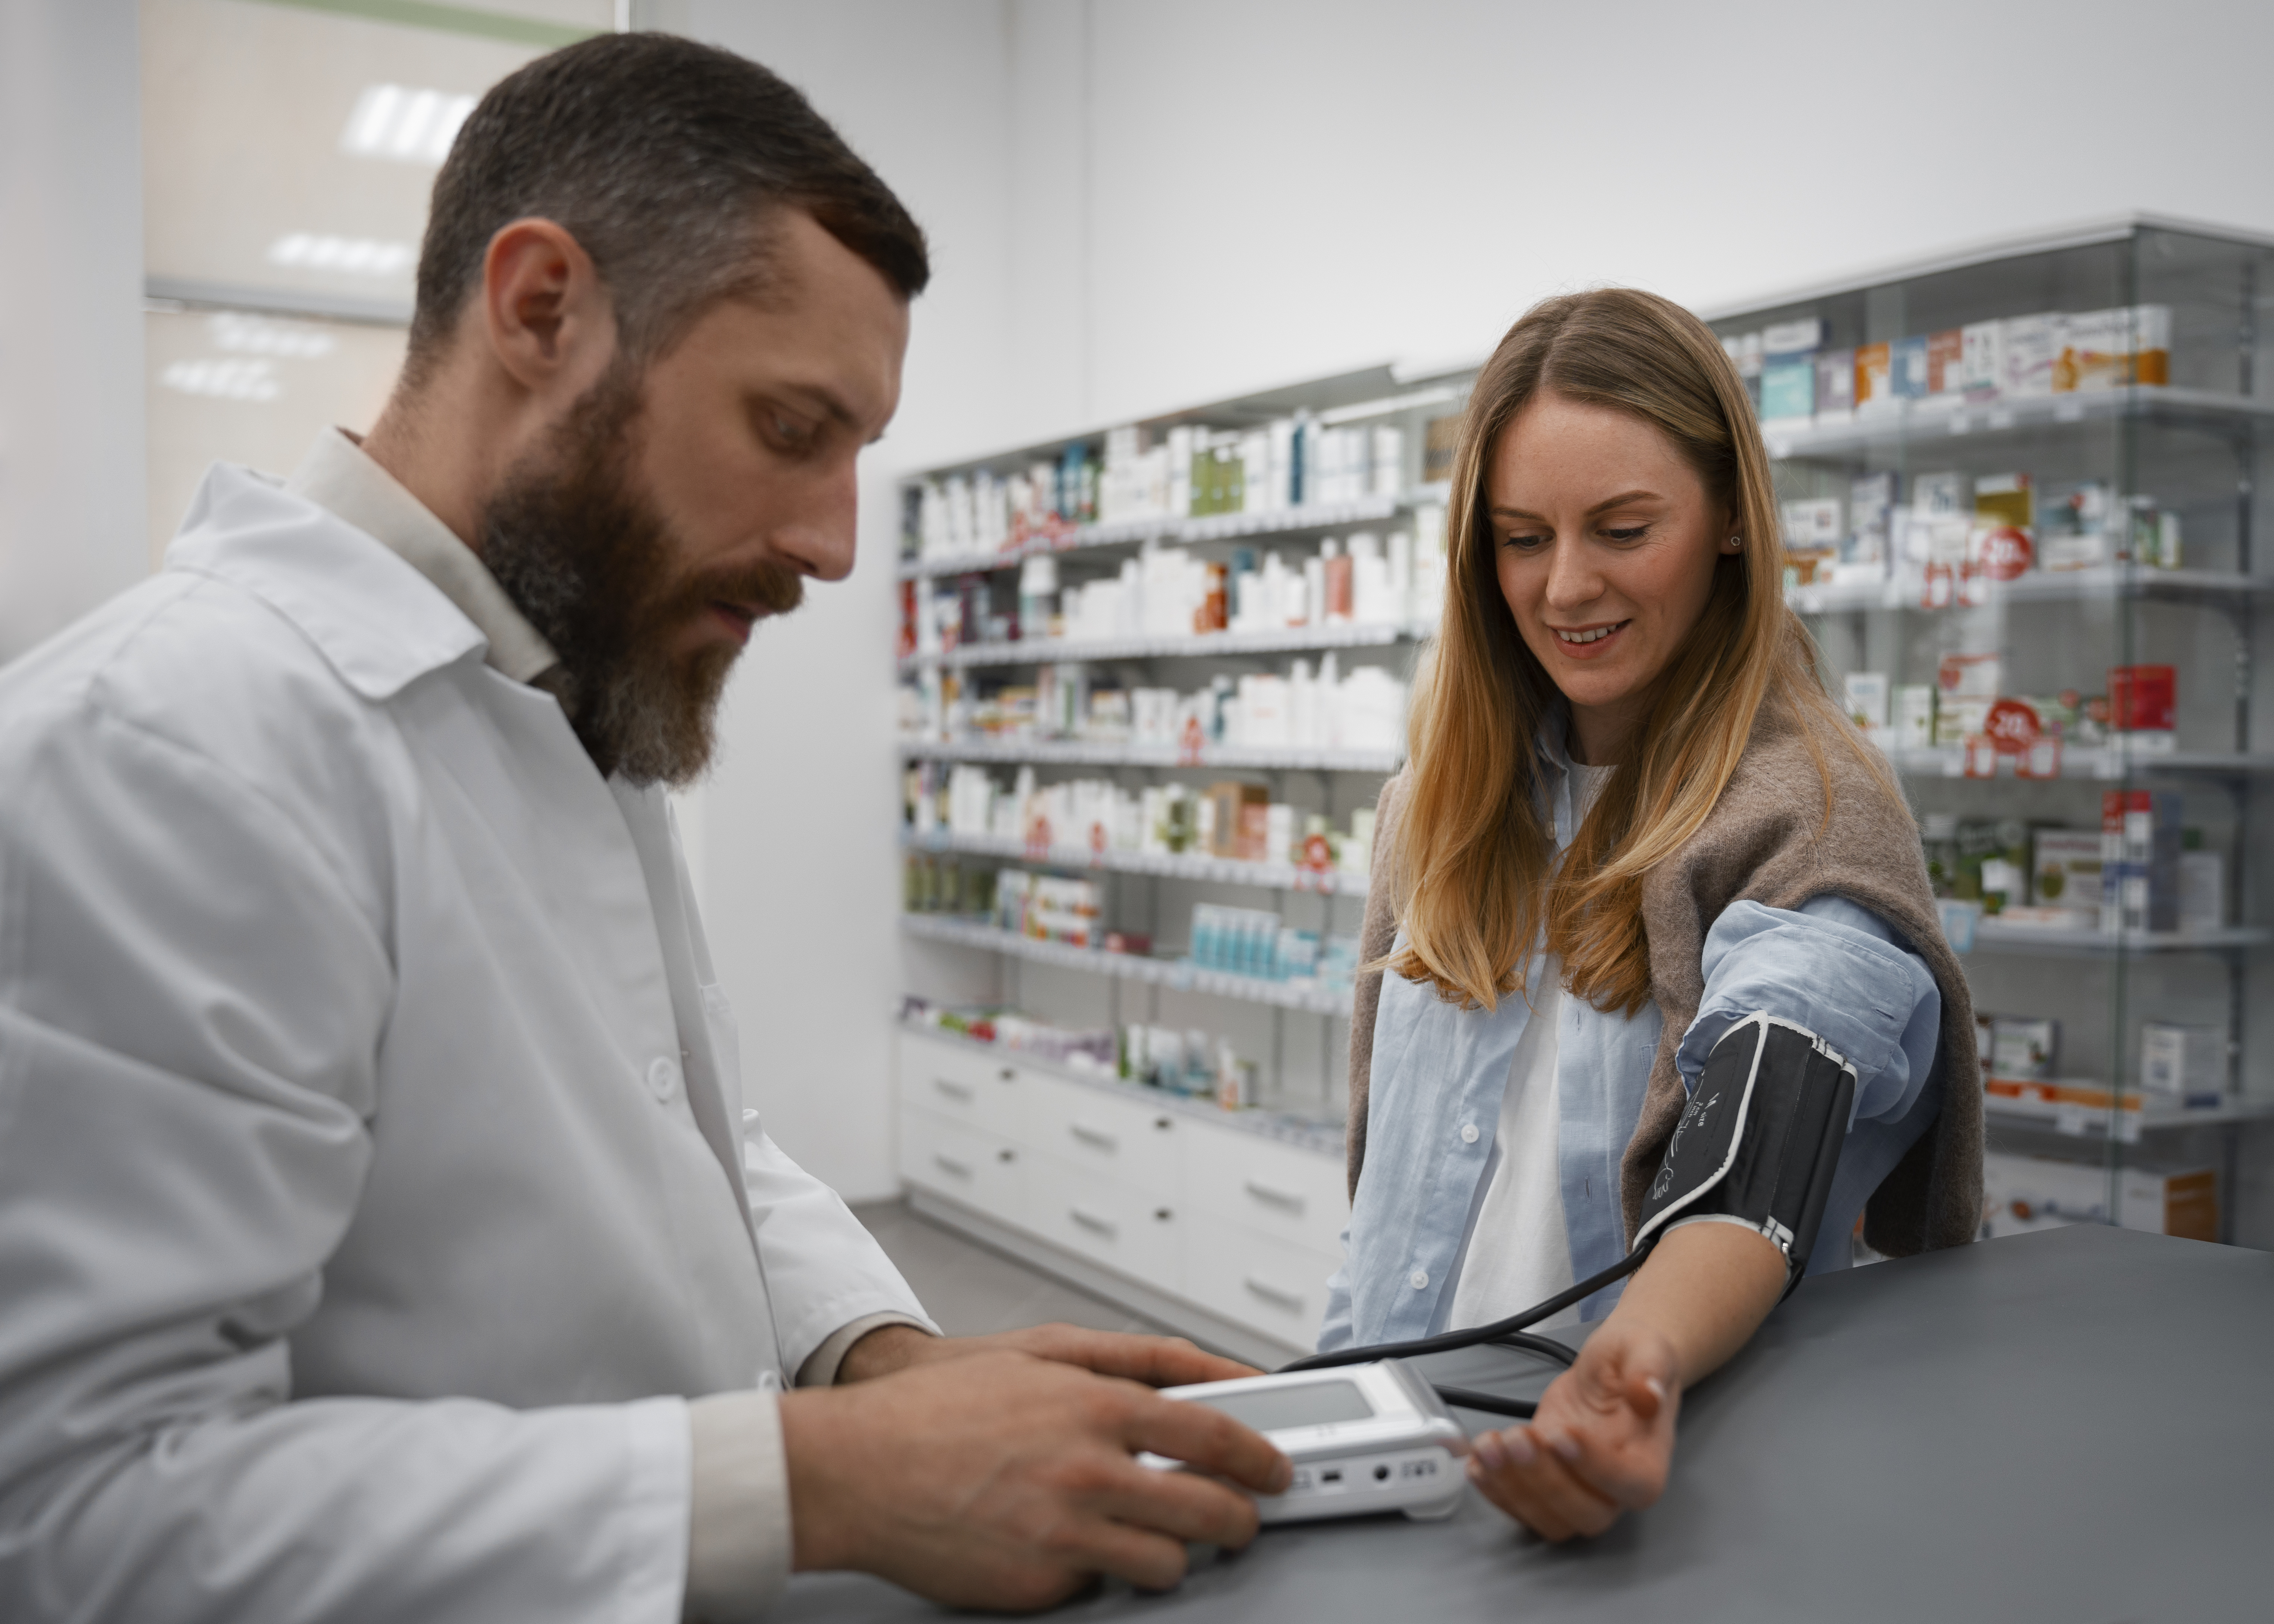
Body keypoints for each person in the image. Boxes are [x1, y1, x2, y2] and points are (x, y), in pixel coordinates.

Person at [0, 34, 1290, 1623]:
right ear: (542, 309)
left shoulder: (560, 691)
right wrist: (820, 1479)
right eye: (790, 428)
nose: (831, 546)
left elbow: (673, 1138)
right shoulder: (167, 750)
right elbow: (76, 1521)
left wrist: (879, 1366)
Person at [1320, 288, 1983, 1542]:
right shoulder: (1438, 805)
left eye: (1623, 528)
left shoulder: (1811, 814)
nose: (1566, 586)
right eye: (1521, 538)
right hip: (1397, 1464)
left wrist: (1632, 1368)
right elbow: (1387, 1202)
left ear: (1730, 516)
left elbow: (1762, 1138)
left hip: (1652, 1482)